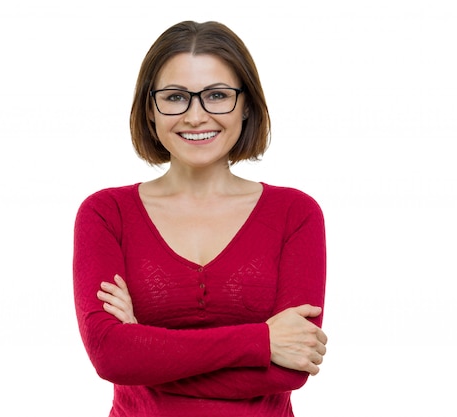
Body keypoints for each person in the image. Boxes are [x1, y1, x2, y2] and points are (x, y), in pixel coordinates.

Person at [73, 20, 327, 417]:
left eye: (217, 95)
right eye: (175, 97)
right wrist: (261, 341)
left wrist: (144, 344)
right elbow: (110, 356)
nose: (196, 116)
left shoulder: (295, 213)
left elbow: (290, 370)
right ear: (149, 109)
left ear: (247, 106)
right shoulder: (106, 213)